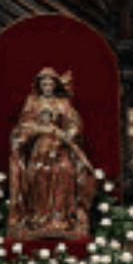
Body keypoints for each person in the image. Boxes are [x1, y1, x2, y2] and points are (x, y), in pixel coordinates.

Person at [8, 69, 97, 241]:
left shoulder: (63, 103)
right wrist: (33, 132)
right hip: (39, 148)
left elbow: (74, 125)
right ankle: (39, 217)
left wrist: (67, 134)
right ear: (39, 85)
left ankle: (60, 218)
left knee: (66, 170)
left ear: (55, 84)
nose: (47, 87)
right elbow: (23, 127)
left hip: (60, 147)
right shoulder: (32, 102)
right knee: (39, 174)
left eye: (50, 83)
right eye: (44, 84)